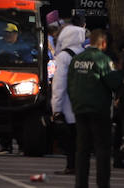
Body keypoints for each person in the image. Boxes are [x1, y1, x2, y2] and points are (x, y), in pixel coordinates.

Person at [68, 29, 123, 188]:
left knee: (82, 150)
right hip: (99, 110)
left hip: (79, 109)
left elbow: (70, 83)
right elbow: (114, 82)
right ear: (103, 43)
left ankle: (81, 184)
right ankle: (102, 184)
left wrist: (75, 103)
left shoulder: (76, 59)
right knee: (102, 150)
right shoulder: (103, 60)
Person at [52, 22, 88, 176]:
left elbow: (59, 84)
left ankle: (71, 166)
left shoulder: (63, 57)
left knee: (69, 140)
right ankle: (80, 166)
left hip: (68, 104)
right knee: (82, 139)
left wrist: (56, 108)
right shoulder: (86, 54)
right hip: (85, 103)